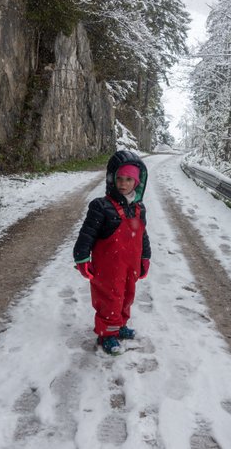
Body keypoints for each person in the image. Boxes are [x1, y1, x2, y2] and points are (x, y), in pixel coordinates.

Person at [73, 150, 151, 355]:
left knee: (127, 296)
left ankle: (120, 325)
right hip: (108, 268)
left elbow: (142, 235)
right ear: (111, 179)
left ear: (137, 182)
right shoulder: (101, 207)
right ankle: (107, 333)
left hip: (130, 265)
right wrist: (82, 258)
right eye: (119, 179)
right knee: (110, 299)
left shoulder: (138, 208)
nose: (123, 184)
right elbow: (87, 235)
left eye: (129, 180)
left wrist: (145, 257)